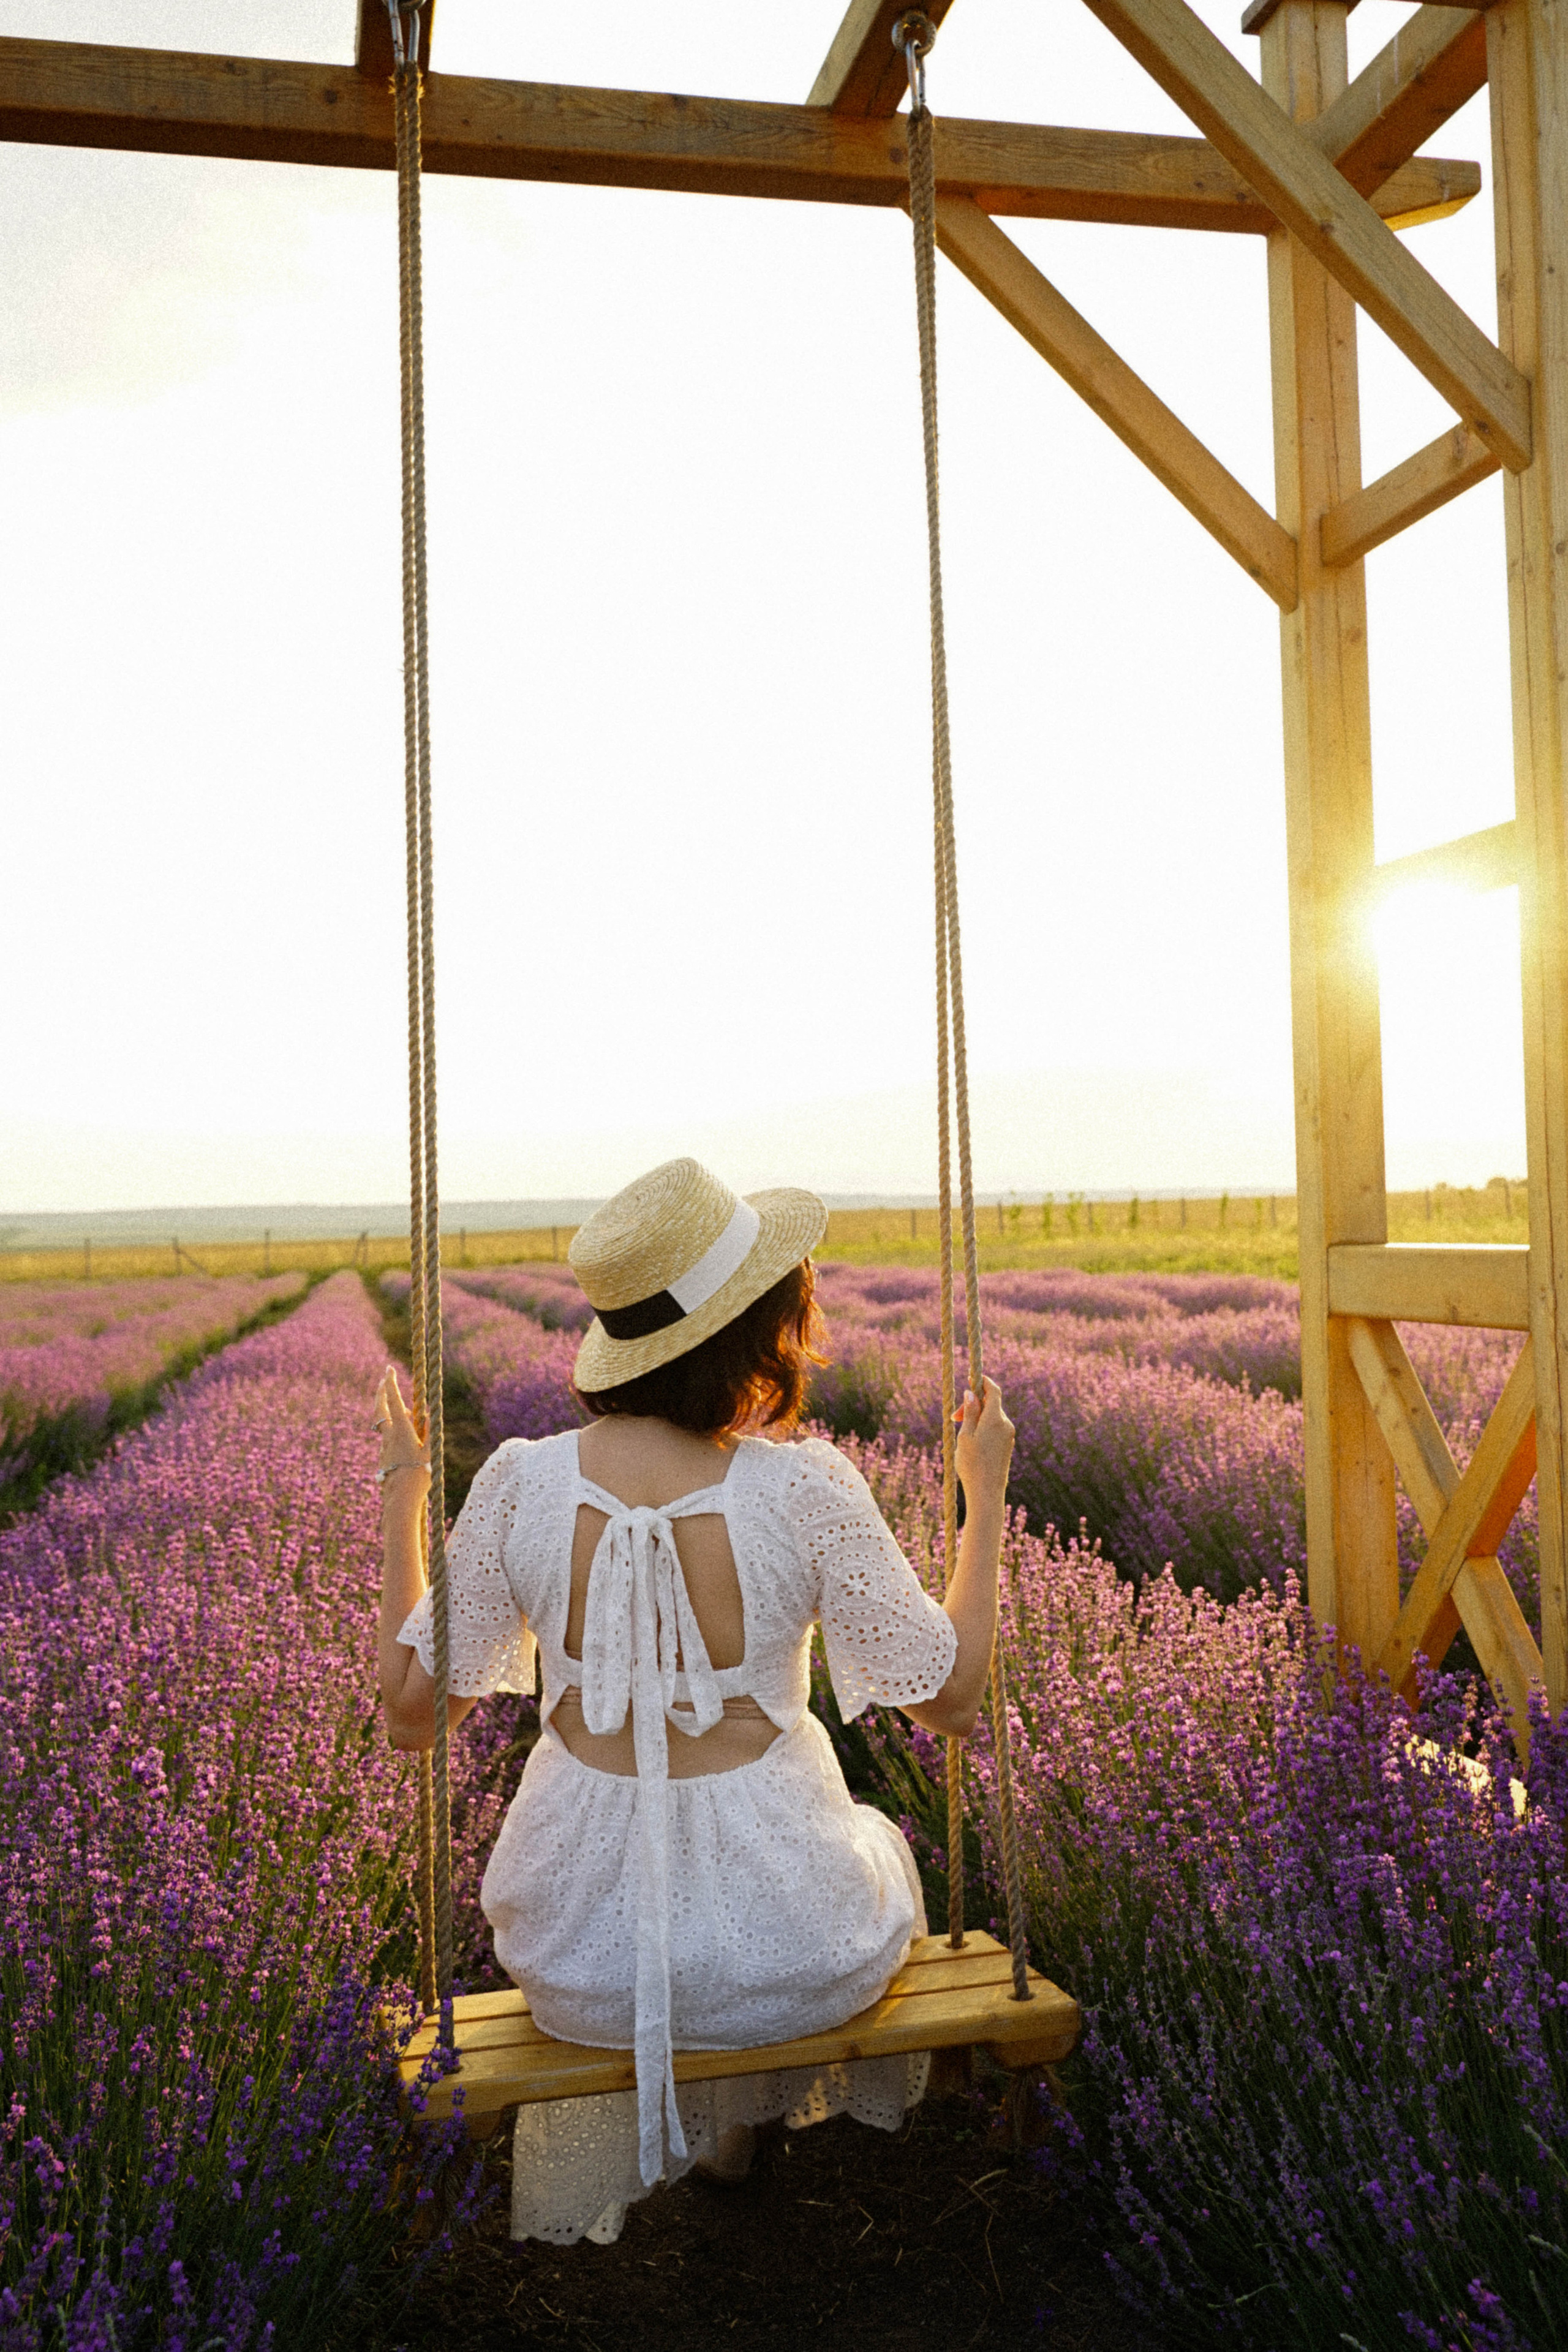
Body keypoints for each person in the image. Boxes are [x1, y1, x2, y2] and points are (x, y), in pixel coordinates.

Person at [374, 1157, 1014, 2245]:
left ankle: (714, 2127)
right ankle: (730, 2127)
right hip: (791, 1956)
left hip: (582, 1962)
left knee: (683, 1889)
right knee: (873, 1848)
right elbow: (952, 1701)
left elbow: (409, 1713)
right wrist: (984, 1493)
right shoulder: (803, 1488)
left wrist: (401, 1496)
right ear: (757, 1332)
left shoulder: (522, 1484)